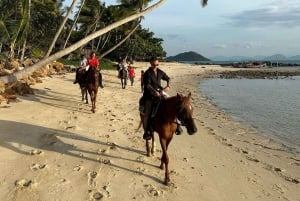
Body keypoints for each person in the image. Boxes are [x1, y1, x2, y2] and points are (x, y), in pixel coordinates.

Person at [141, 56, 182, 140]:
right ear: (150, 63)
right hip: (149, 94)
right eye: (154, 64)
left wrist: (168, 85)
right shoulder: (147, 73)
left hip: (160, 92)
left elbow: (168, 78)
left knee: (173, 103)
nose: (155, 66)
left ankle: (177, 125)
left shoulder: (160, 72)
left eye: (157, 64)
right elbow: (147, 85)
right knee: (149, 111)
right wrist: (154, 92)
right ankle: (148, 131)